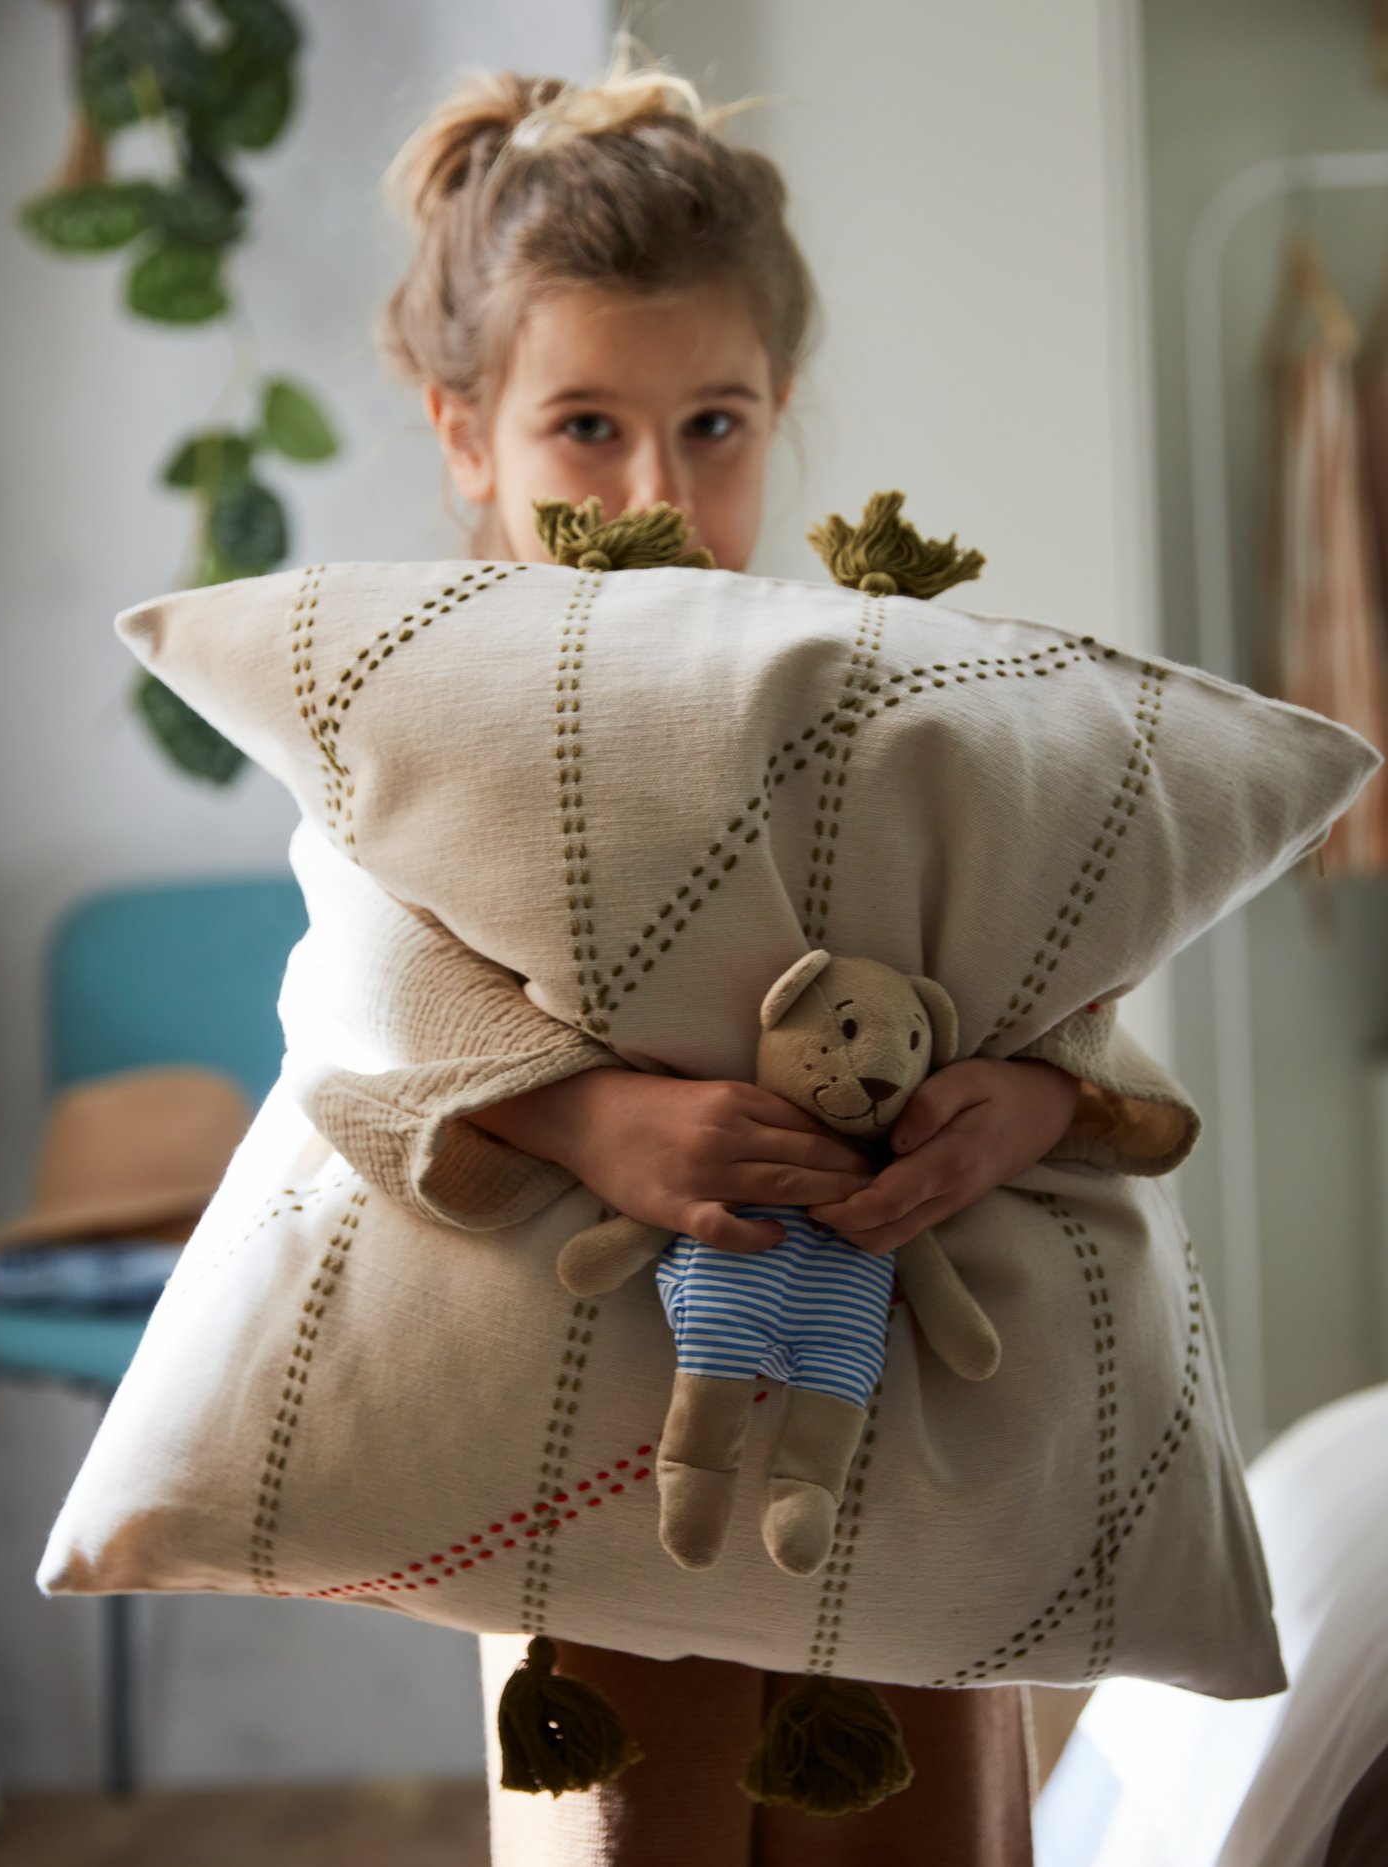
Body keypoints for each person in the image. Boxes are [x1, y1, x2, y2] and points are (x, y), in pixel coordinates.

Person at [309, 31, 1192, 1866]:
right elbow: (354, 998)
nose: (653, 485)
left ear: (779, 405)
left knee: (924, 1830)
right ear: (465, 433)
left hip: (905, 1433)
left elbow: (1071, 982)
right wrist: (580, 1126)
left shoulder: (900, 710)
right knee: (632, 1828)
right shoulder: (423, 717)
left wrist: (1027, 1102)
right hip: (592, 1439)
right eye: (584, 426)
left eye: (712, 423)